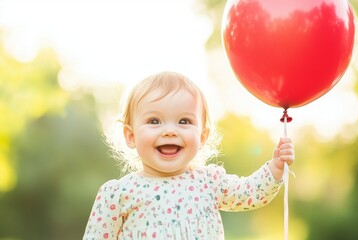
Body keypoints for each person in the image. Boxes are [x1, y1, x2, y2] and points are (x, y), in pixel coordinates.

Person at [83, 71, 294, 239]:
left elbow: (248, 194)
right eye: (154, 121)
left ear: (202, 137)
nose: (170, 131)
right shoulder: (118, 194)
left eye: (184, 121)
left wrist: (275, 168)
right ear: (130, 136)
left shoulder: (209, 182)